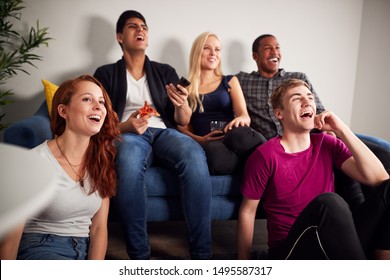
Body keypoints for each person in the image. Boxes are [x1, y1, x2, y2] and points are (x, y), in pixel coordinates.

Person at [93, 10, 212, 260]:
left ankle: (203, 255)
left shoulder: (164, 71)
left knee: (193, 153)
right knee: (127, 160)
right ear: (119, 37)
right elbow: (100, 117)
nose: (140, 30)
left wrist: (182, 105)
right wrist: (126, 127)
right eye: (133, 26)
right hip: (129, 133)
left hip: (163, 131)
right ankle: (139, 257)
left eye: (144, 27)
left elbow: (182, 121)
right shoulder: (105, 74)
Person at [237, 78, 390, 260]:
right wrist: (243, 265)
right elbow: (247, 211)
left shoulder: (328, 144)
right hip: (291, 250)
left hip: (335, 241)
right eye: (296, 98)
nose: (307, 101)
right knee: (329, 202)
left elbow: (379, 179)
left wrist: (342, 130)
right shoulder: (265, 156)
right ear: (279, 114)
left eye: (309, 97)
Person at [0, 74, 121, 260]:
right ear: (64, 111)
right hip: (42, 247)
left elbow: (98, 229)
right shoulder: (35, 162)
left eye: (102, 102)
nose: (98, 106)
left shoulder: (101, 160)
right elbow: (12, 234)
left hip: (84, 249)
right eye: (87, 99)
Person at [236, 34, 390, 154]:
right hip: (278, 144)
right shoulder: (242, 81)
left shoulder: (298, 78)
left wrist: (329, 130)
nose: (275, 52)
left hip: (312, 137)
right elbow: (218, 83)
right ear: (255, 56)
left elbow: (319, 110)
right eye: (268, 48)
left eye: (277, 47)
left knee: (381, 153)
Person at [178, 32, 266, 175]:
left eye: (217, 49)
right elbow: (181, 127)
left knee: (240, 136)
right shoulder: (185, 88)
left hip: (233, 134)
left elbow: (244, 116)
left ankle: (268, 165)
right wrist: (201, 140)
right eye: (207, 48)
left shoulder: (230, 81)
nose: (213, 53)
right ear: (197, 52)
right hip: (210, 142)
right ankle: (257, 170)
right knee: (215, 155)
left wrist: (240, 120)